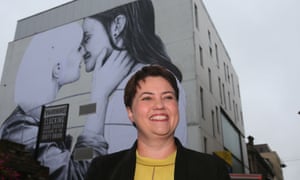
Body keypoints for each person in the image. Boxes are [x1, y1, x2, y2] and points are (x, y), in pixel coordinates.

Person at [85, 65, 230, 180]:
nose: (159, 105)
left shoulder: (212, 170)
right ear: (130, 112)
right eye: (147, 98)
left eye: (168, 97)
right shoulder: (102, 171)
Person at [81, 0, 187, 154]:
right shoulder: (119, 86)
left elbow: (89, 167)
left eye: (86, 37)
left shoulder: (141, 87)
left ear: (117, 26)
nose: (81, 49)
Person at [0, 22, 99, 180]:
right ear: (57, 68)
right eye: (78, 48)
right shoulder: (24, 131)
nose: (84, 52)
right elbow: (77, 175)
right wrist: (100, 96)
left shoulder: (31, 120)